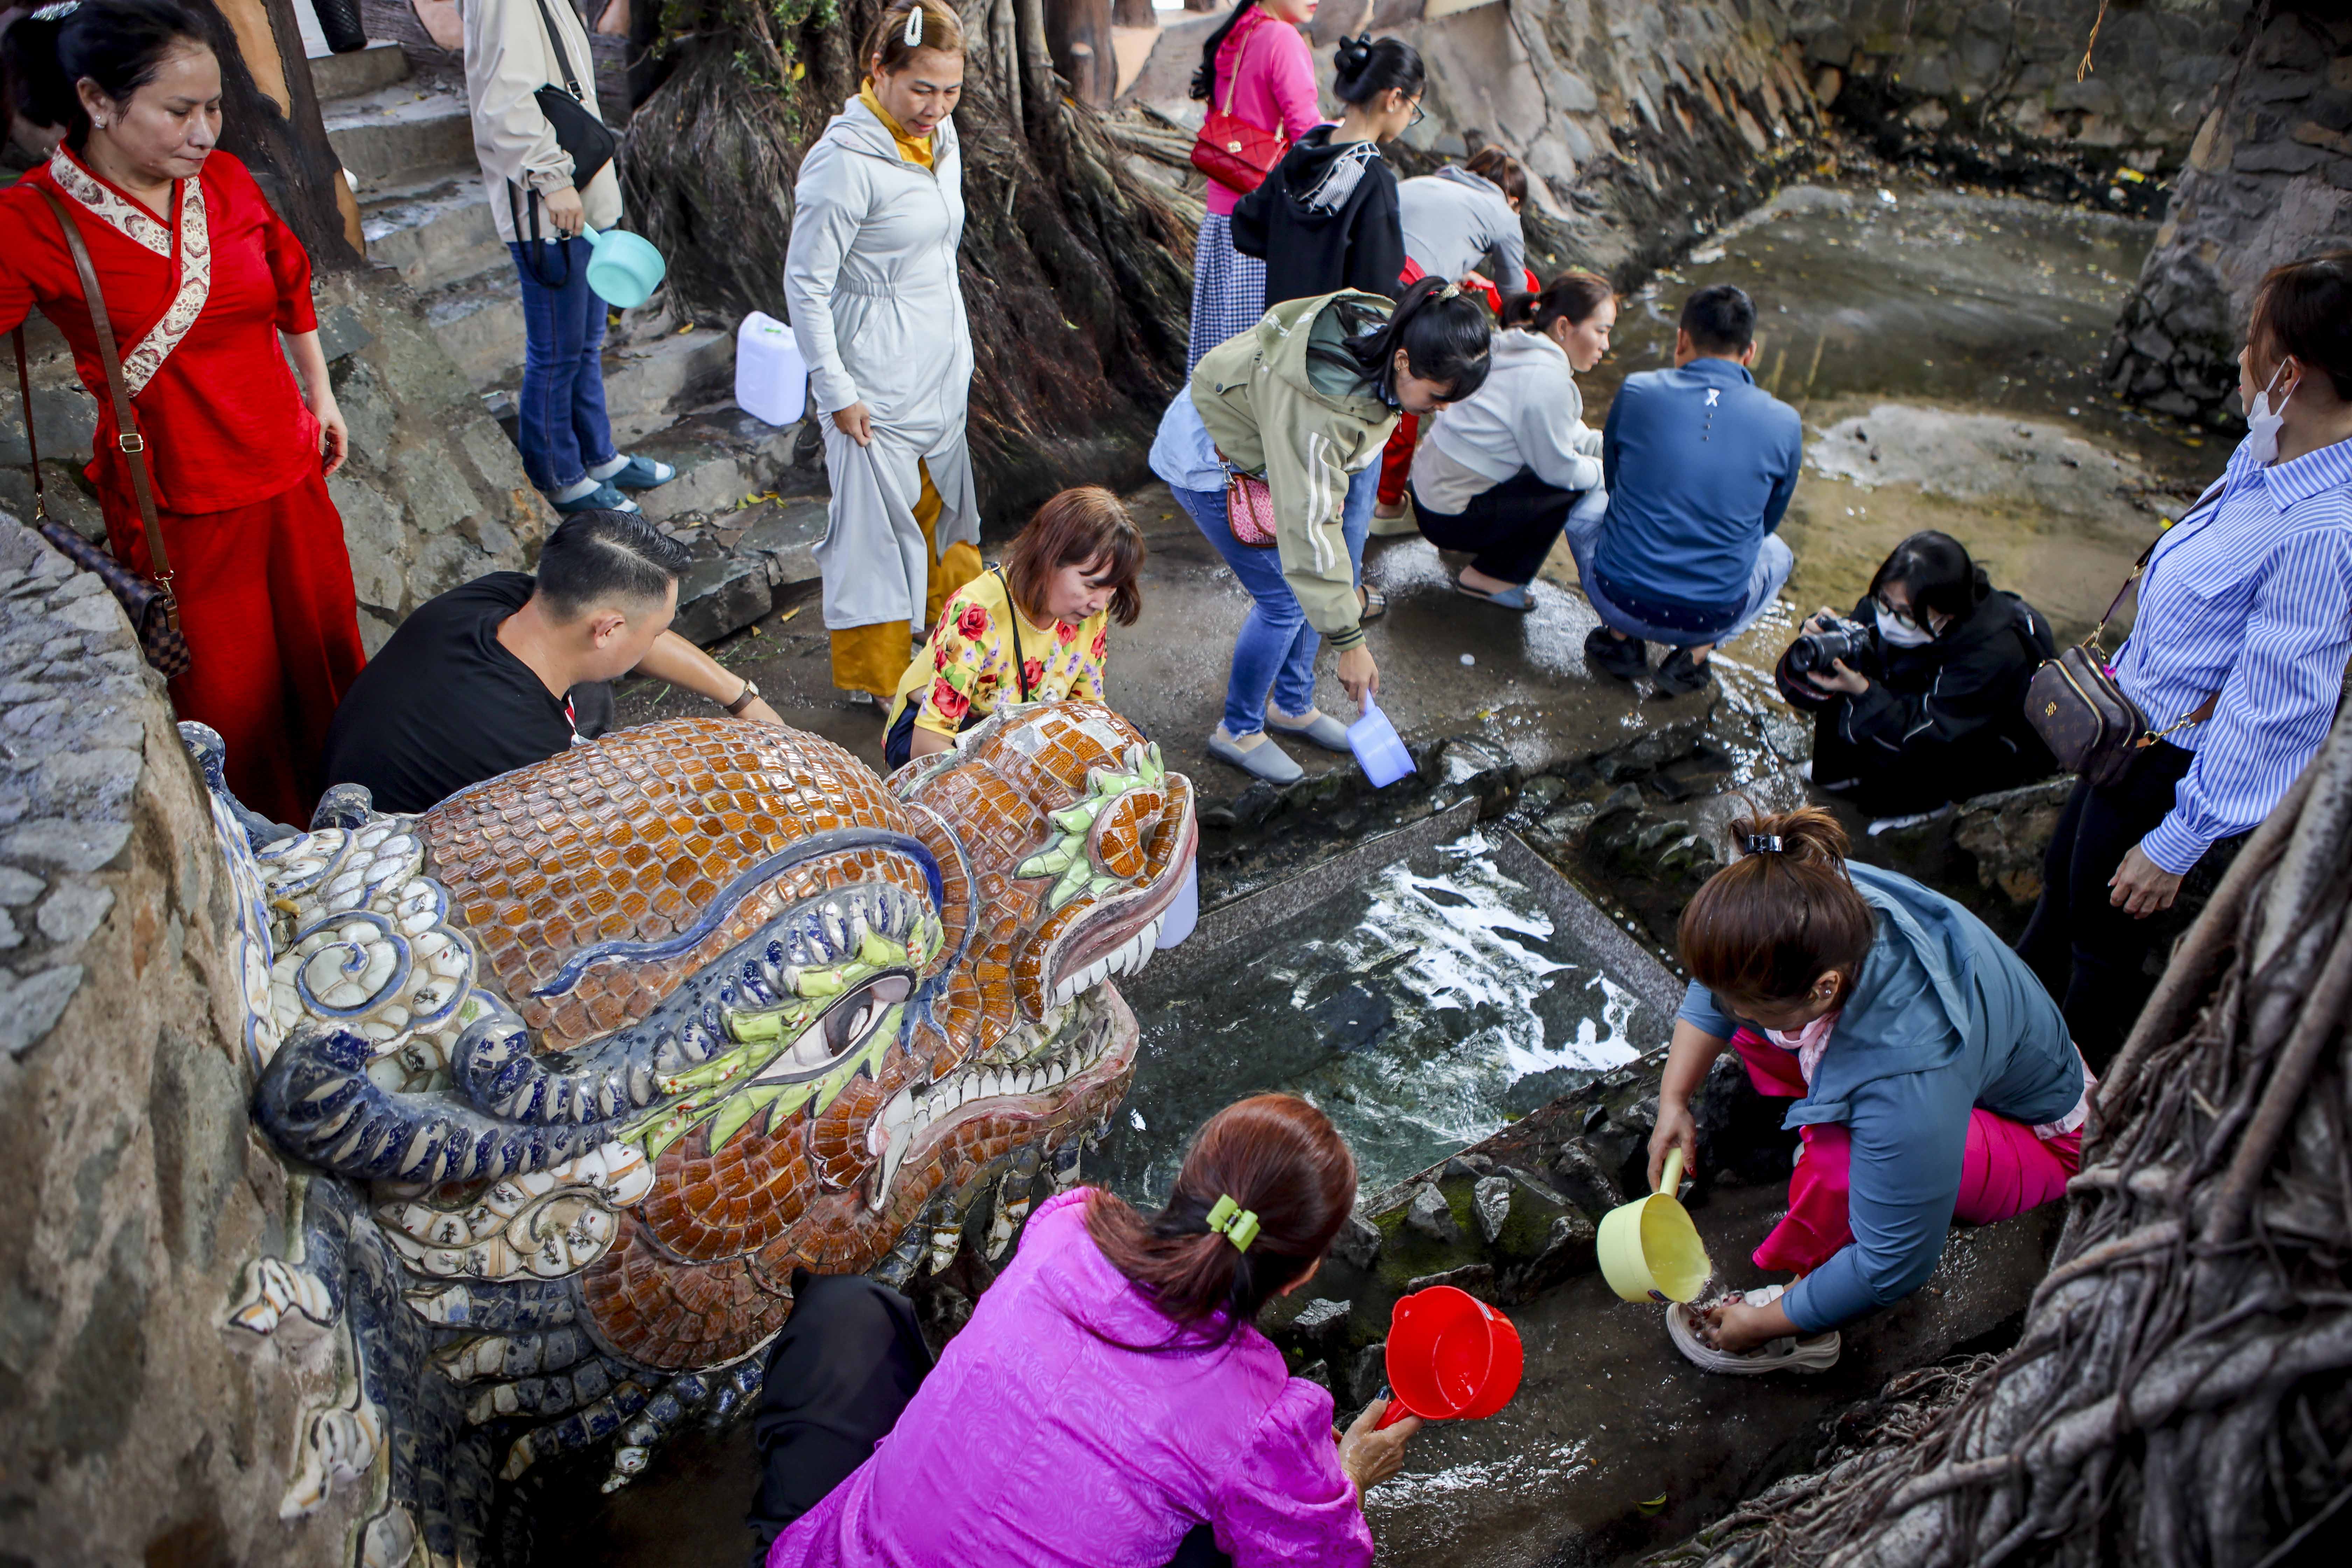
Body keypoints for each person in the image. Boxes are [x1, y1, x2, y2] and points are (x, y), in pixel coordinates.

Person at [748, 1094, 1421, 1566]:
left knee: (846, 1312)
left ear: (1188, 1180)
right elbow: (1316, 1559)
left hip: (834, 1555)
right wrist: (1349, 1477)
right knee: (1223, 1533)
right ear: (1302, 1273)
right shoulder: (1264, 1417)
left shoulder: (1070, 1226)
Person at [0, 0, 364, 827]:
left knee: (331, 660)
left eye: (215, 108)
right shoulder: (32, 222)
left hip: (290, 470)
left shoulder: (226, 180)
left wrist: (321, 394)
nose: (206, 132)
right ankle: (265, 859)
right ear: (96, 101)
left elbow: (287, 276)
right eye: (180, 111)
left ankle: (360, 824)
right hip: (180, 505)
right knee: (231, 706)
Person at [2019, 252, 2352, 1069]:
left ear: (2291, 373)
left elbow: (2276, 707)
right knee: (2057, 911)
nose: (2241, 363)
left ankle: (2064, 1132)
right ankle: (1991, 1062)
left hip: (2168, 772)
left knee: (2100, 958)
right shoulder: (2269, 460)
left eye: (2252, 346)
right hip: (2127, 738)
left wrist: (2179, 838)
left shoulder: (2324, 530)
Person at [1647, 808, 2088, 1371]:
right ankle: (1844, 1136)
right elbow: (1717, 982)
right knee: (1757, 1030)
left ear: (1825, 987)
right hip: (1969, 1071)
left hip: (2046, 1141)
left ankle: (1806, 1329)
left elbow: (1897, 1262)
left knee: (1841, 1166)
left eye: (1744, 1000)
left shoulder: (1905, 1075)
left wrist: (1762, 1322)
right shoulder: (1806, 891)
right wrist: (1674, 1100)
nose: (1726, 1007)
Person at [1148, 279, 1492, 783]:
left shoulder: (1398, 334)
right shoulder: (1322, 404)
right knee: (1288, 598)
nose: (1443, 410)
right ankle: (1238, 730)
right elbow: (1305, 531)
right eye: (1439, 397)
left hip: (1302, 451)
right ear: (1402, 361)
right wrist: (1351, 644)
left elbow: (1327, 533)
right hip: (1211, 457)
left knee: (1337, 569)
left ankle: (1292, 704)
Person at [320, 510, 785, 815]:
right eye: (657, 631)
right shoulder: (529, 758)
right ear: (607, 631)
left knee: (593, 690)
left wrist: (743, 700)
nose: (659, 640)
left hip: (422, 728)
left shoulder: (497, 598)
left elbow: (628, 632)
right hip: (403, 862)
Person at [786, 0, 983, 709]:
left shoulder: (941, 137)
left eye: (951, 89)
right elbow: (805, 285)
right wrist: (837, 390)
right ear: (878, 70)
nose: (936, 106)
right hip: (870, 381)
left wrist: (957, 361)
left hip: (936, 367)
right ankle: (882, 690)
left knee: (944, 518)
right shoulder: (842, 163)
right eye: (921, 88)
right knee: (875, 539)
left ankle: (957, 654)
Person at [463, 0, 675, 516]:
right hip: (548, 208)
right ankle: (559, 474)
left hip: (579, 200)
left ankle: (597, 458)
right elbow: (504, 101)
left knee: (584, 341)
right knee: (557, 349)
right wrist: (552, 178)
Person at [1567, 283, 1801, 698]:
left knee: (1587, 499)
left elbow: (1616, 483)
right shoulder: (1785, 422)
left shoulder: (1638, 391)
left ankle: (1620, 640)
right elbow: (1766, 524)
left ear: (1682, 340)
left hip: (1620, 598)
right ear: (1749, 354)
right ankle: (1693, 656)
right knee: (1779, 554)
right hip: (1710, 616)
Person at [1786, 531, 2058, 816]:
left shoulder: (1993, 654)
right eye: (1882, 602)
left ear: (1949, 612)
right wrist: (1816, 648)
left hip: (1977, 745)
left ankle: (1925, 807)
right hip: (1916, 711)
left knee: (1882, 706)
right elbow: (1802, 688)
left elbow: (1933, 736)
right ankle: (1843, 776)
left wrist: (1864, 693)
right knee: (1849, 664)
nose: (1888, 620)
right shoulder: (1885, 606)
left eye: (1905, 615)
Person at [884, 486, 1144, 770]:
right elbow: (927, 749)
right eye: (1092, 585)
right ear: (1047, 558)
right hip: (942, 733)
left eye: (1112, 588)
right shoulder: (976, 613)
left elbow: (1087, 713)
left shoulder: (1090, 611)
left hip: (1021, 728)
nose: (1100, 602)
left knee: (1133, 747)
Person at [1407, 270, 1615, 611]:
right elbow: (1560, 470)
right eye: (1601, 332)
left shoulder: (1518, 345)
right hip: (1446, 518)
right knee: (1572, 484)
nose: (1606, 345)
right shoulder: (1545, 379)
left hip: (1429, 496)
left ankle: (1470, 550)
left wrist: (1609, 448)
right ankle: (1492, 577)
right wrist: (1605, 471)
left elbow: (1564, 429)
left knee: (1563, 467)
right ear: (1563, 327)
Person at [1374, 145, 1532, 524]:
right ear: (1513, 201)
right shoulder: (1504, 216)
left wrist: (1457, 281)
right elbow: (1517, 301)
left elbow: (1423, 240)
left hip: (1362, 273)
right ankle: (1386, 505)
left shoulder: (1425, 182)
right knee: (1409, 388)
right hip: (1408, 287)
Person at [1229, 34, 1420, 317]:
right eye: (1414, 110)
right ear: (1394, 99)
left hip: (1279, 339)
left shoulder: (1305, 152)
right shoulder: (1374, 181)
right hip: (1329, 350)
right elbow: (1378, 293)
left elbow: (1247, 226)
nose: (1410, 120)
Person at [1183, 0, 1321, 374]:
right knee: (1256, 371)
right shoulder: (1281, 38)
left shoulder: (1238, 32)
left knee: (1219, 366)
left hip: (1221, 223)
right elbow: (1308, 134)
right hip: (1263, 231)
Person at [1396, 145, 1528, 305]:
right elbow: (1515, 296)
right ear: (1514, 202)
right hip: (1407, 275)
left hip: (1364, 247)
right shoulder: (1506, 214)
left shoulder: (1432, 181)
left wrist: (1458, 274)